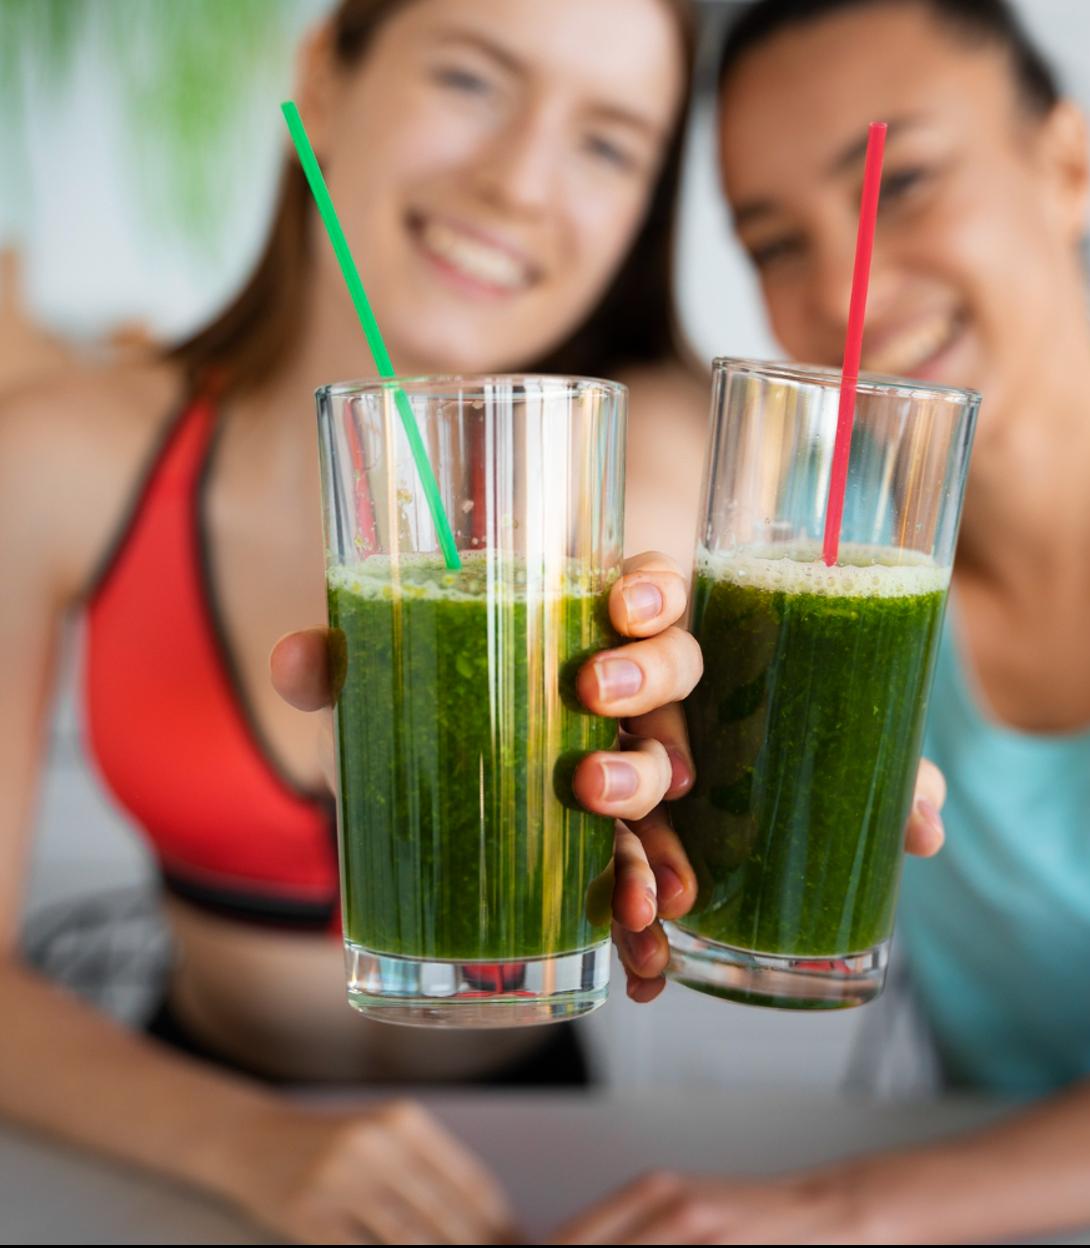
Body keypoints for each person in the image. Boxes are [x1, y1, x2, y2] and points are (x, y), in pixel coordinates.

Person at [0, 0, 715, 1241]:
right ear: (324, 79)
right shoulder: (66, 457)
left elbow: (751, 744)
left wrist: (755, 775)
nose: (521, 181)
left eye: (608, 142)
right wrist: (253, 1147)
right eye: (473, 80)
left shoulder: (662, 469)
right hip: (180, 1141)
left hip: (546, 1159)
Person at [560, 0, 1090, 1242]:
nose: (839, 290)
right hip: (971, 1158)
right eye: (772, 242)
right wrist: (609, 660)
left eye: (904, 181)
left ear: (1068, 162)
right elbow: (642, 534)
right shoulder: (796, 558)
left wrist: (834, 1215)